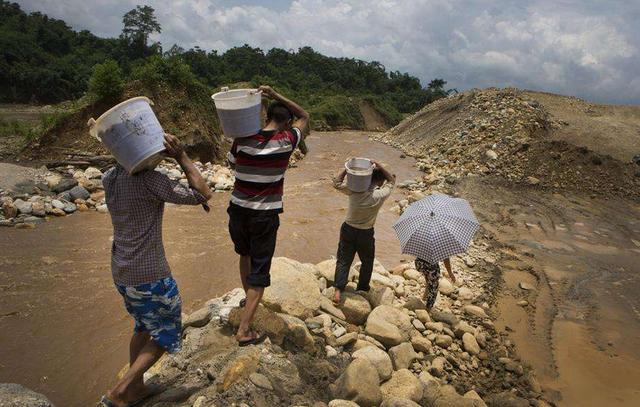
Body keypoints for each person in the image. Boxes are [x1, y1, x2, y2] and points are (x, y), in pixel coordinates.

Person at [99, 134, 212, 407]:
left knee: (142, 327)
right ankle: (120, 391)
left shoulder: (109, 178)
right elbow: (203, 193)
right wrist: (181, 156)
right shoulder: (150, 180)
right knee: (167, 332)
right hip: (150, 275)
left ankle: (136, 387)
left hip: (122, 271)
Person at [227, 85, 309, 346]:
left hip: (237, 210)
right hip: (264, 216)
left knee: (245, 255)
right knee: (260, 272)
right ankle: (245, 329)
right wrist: (275, 93)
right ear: (286, 122)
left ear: (266, 118)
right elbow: (305, 116)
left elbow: (232, 163)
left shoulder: (242, 138)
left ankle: (245, 298)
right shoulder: (286, 141)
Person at [332, 160, 395, 304]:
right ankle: (362, 288)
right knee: (367, 261)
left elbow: (336, 183)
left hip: (348, 229)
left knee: (343, 260)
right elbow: (391, 181)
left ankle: (337, 290)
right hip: (366, 233)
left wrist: (346, 169)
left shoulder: (354, 190)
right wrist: (381, 165)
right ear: (379, 182)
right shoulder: (380, 195)